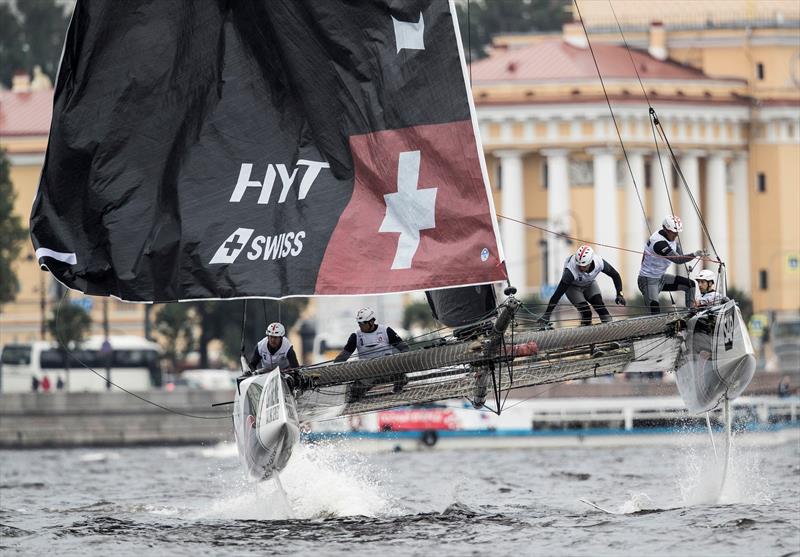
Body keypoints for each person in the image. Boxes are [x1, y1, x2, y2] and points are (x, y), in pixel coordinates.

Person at [541, 245, 626, 326]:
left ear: (590, 262)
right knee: (586, 312)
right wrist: (547, 314)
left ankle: (610, 333)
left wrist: (619, 294)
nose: (581, 268)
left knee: (600, 307)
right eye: (579, 265)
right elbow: (557, 294)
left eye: (584, 266)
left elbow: (615, 275)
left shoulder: (599, 262)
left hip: (589, 284)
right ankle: (585, 336)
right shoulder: (570, 271)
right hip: (573, 288)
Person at [335, 308, 409, 400]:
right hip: (368, 374)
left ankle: (399, 385)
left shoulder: (386, 331)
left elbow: (404, 348)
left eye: (363, 323)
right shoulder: (356, 336)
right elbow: (344, 356)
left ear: (371, 322)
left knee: (400, 375)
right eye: (359, 323)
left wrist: (401, 362)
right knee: (354, 391)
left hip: (388, 371)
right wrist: (333, 369)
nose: (360, 326)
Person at [638, 215, 706, 314]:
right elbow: (678, 260)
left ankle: (690, 314)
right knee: (655, 311)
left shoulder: (673, 240)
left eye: (677, 232)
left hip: (661, 278)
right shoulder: (659, 243)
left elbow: (681, 256)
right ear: (666, 230)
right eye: (673, 233)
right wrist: (695, 254)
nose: (676, 235)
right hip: (648, 280)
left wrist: (695, 255)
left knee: (690, 285)